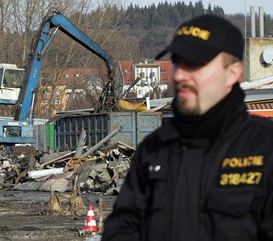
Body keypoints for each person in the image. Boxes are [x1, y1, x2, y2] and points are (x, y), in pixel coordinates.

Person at [102, 14, 273, 241]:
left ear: (233, 73)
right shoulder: (154, 149)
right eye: (177, 62)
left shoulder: (266, 147)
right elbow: (121, 229)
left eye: (195, 63)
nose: (180, 75)